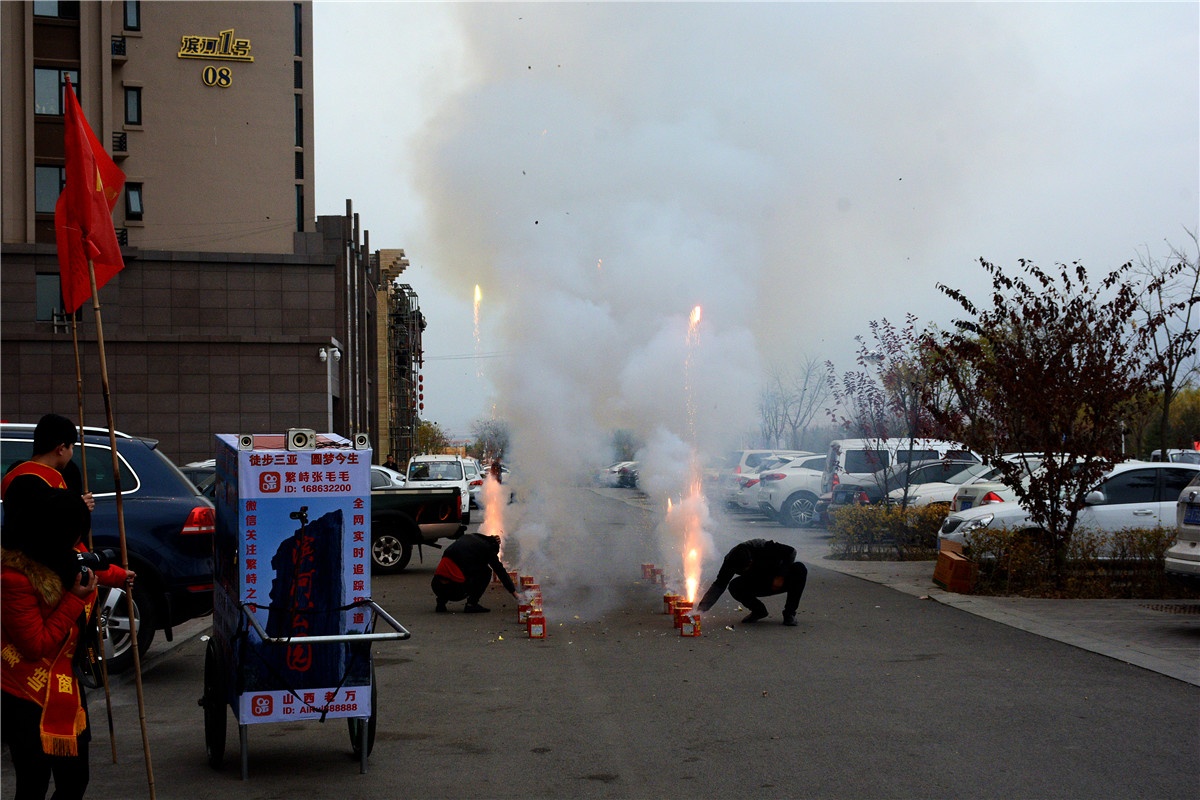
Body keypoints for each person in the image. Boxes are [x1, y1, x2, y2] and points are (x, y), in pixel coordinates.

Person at [1, 489, 131, 800]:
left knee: (75, 780)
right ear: (55, 533)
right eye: (74, 534)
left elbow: (90, 563)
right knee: (32, 783)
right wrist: (75, 599)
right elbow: (35, 645)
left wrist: (120, 575)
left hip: (65, 683)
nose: (78, 541)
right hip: (25, 690)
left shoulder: (61, 553)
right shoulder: (14, 577)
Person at [1, 415, 95, 552]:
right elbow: (58, 533)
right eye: (72, 447)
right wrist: (78, 509)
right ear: (61, 448)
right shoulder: (50, 480)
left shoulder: (13, 473)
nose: (71, 453)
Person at [696, 538, 808, 626]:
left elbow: (791, 552)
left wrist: (780, 576)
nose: (746, 569)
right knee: (734, 586)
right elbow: (719, 585)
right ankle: (758, 610)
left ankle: (789, 613)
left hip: (777, 579)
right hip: (757, 582)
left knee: (799, 569)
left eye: (747, 566)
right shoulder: (730, 561)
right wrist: (700, 611)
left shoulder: (760, 546)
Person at [431, 533, 517, 613]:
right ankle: (471, 604)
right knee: (486, 572)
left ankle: (441, 602)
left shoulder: (468, 538)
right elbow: (500, 571)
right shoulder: (487, 549)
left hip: (436, 586)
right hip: (456, 591)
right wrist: (514, 592)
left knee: (449, 573)